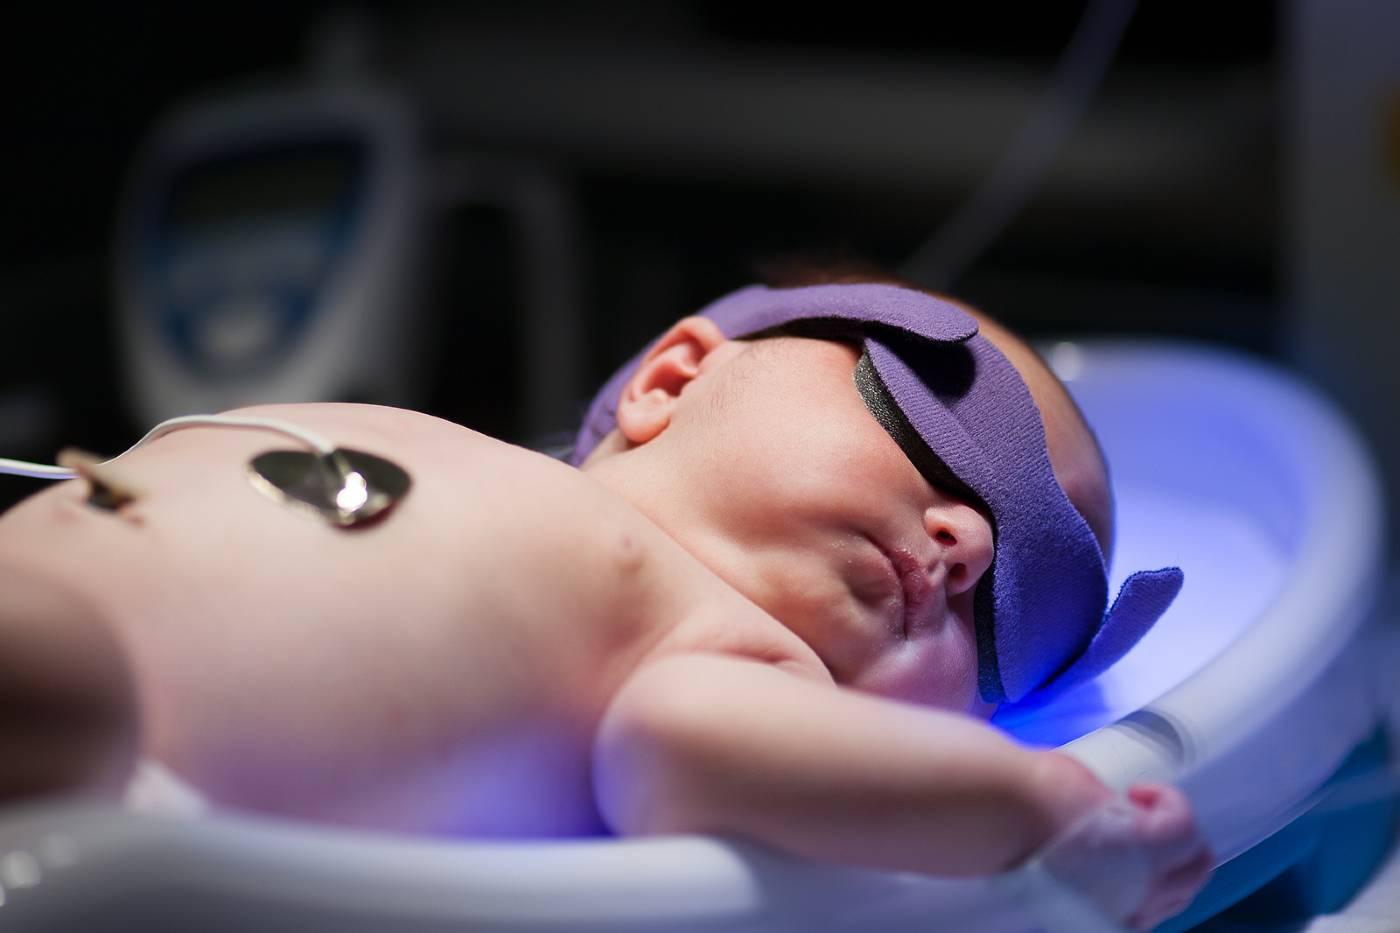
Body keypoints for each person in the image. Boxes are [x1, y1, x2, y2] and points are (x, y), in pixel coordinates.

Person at [0, 268, 1210, 929]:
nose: (962, 547)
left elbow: (688, 752)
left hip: (109, 742)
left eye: (1006, 619)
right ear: (673, 376)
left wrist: (1038, 803)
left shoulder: (724, 655)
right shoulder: (471, 448)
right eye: (941, 446)